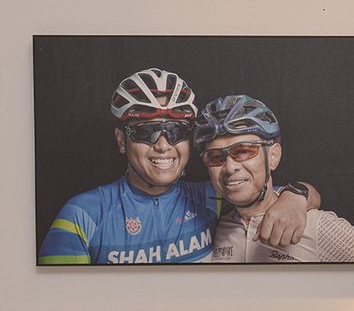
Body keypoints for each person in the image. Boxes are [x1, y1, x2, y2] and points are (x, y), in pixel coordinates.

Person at [38, 68, 318, 264]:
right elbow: (52, 305)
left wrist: (294, 199)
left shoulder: (212, 195)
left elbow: (272, 193)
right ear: (121, 140)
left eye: (176, 131)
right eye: (147, 132)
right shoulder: (82, 214)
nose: (163, 145)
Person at [194, 94, 354, 263]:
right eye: (216, 157)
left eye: (243, 151)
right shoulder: (215, 225)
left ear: (273, 156)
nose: (229, 167)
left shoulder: (318, 226)